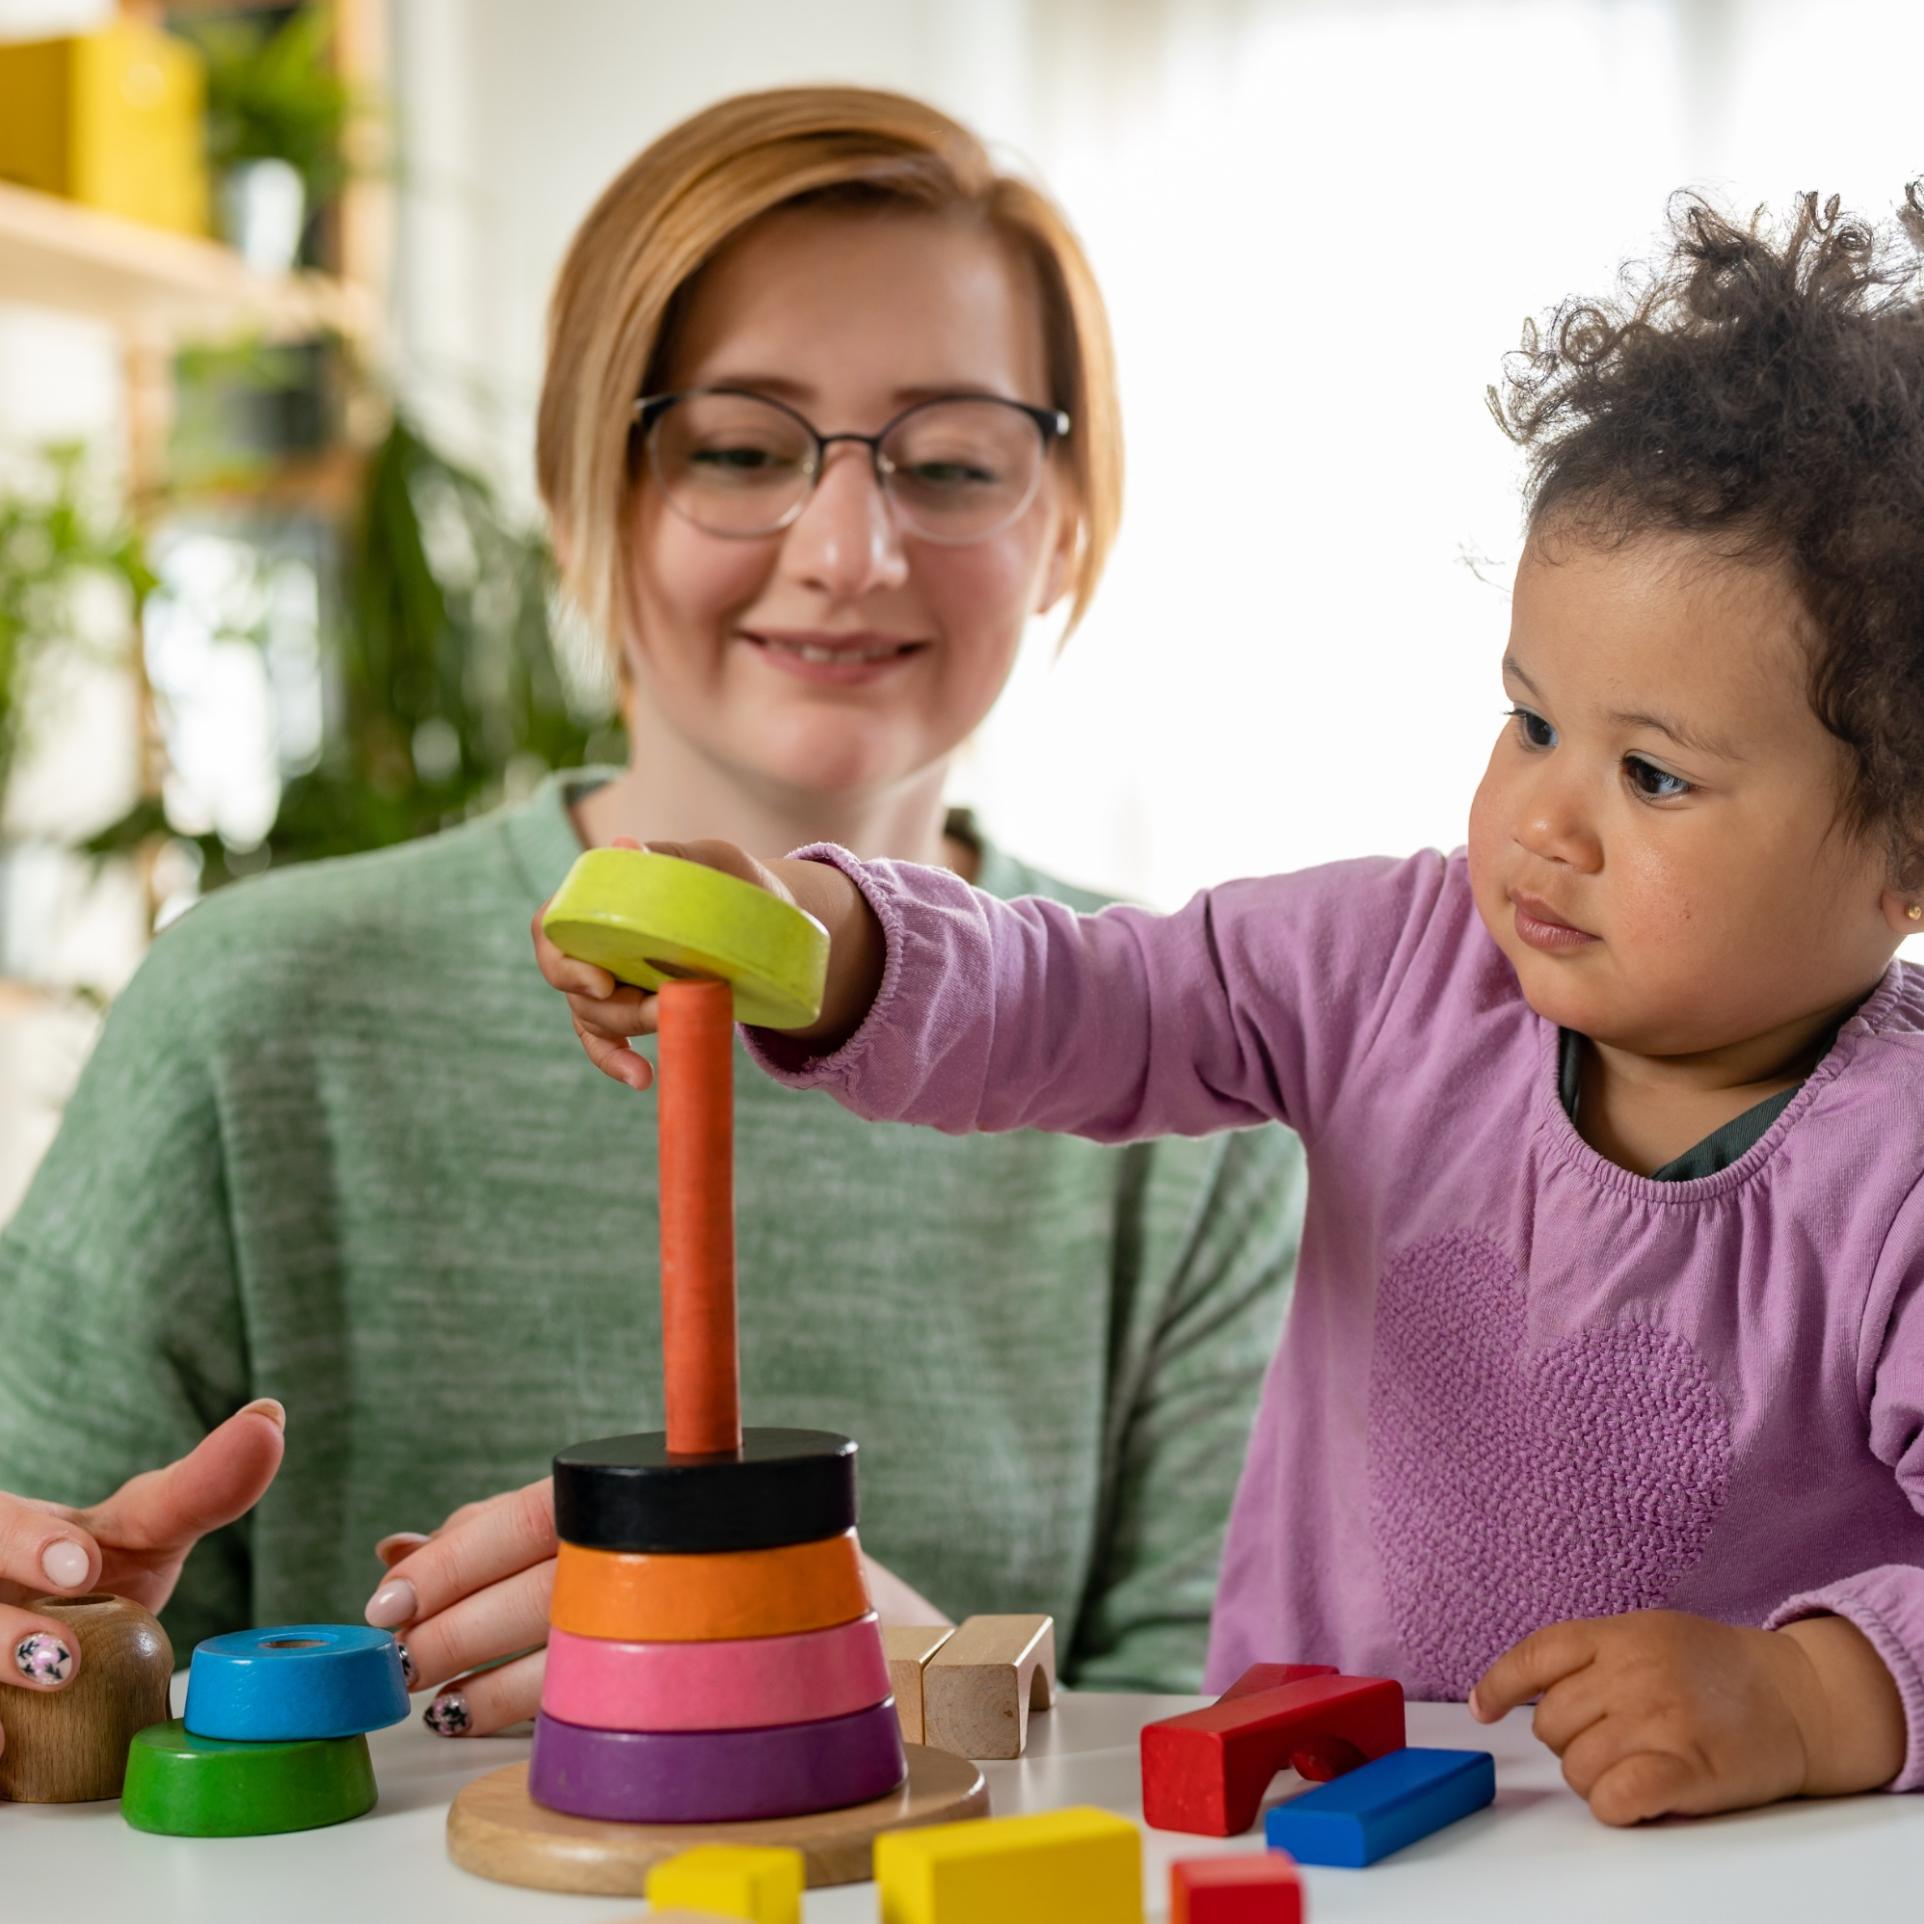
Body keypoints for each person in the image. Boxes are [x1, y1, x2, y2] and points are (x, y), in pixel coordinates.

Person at [543, 187, 1924, 1822]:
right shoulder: (1389, 964)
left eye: (1654, 775)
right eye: (1531, 723)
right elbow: (1091, 997)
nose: (1546, 821)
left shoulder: (1897, 1168)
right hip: (1309, 1817)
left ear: (1905, 853)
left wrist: (1814, 1696)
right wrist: (831, 942)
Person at [0, 87, 1302, 1749]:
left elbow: (1231, 1744)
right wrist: (61, 1656)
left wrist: (867, 1649)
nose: (849, 550)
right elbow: (55, 1621)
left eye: (953, 463)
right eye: (742, 451)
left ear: (1064, 527)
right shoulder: (252, 1011)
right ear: (583, 493)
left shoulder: (1196, 1067)